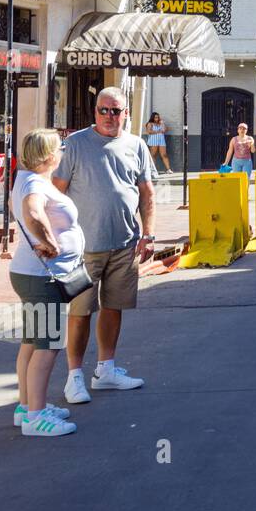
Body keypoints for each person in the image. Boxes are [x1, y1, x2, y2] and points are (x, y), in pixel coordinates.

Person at [54, 87, 154, 404]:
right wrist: (56, 239)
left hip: (125, 243)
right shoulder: (75, 145)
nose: (109, 116)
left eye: (116, 110)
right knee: (80, 312)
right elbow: (55, 193)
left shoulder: (137, 146)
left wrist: (148, 234)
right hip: (83, 247)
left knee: (114, 307)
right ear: (95, 112)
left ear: (126, 112)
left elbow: (147, 194)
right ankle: (74, 378)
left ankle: (105, 370)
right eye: (103, 110)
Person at [10, 129, 84, 436]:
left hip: (33, 275)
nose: (64, 151)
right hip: (43, 277)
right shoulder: (33, 183)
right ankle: (35, 418)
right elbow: (33, 213)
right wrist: (48, 240)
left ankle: (27, 407)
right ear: (49, 154)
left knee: (32, 342)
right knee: (49, 345)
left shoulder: (28, 179)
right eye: (61, 147)